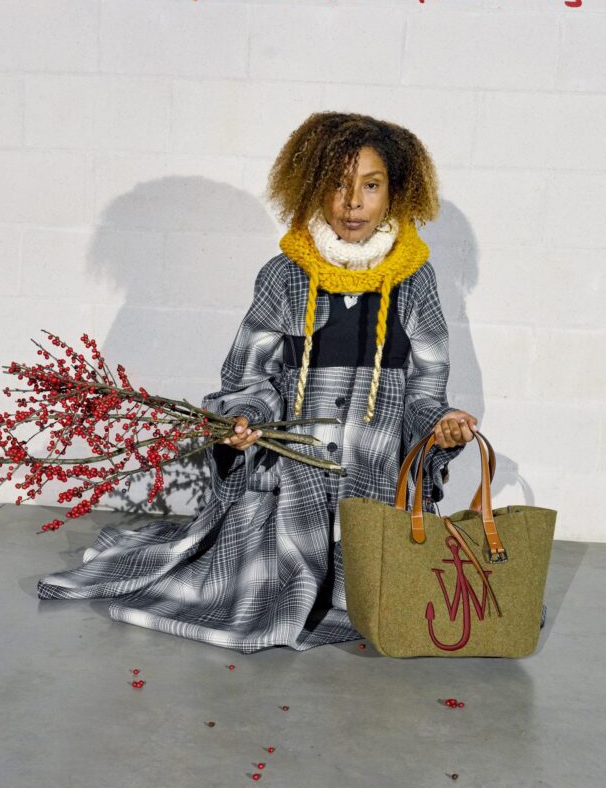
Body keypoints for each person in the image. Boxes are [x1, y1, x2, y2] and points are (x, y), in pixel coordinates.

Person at [37, 111, 478, 653]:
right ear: (312, 187)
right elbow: (249, 377)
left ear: (396, 191)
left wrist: (442, 425)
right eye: (337, 184)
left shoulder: (415, 280)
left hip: (372, 484)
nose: (352, 202)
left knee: (382, 598)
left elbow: (425, 391)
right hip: (291, 483)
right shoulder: (285, 275)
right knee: (253, 588)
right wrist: (246, 420)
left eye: (370, 185)